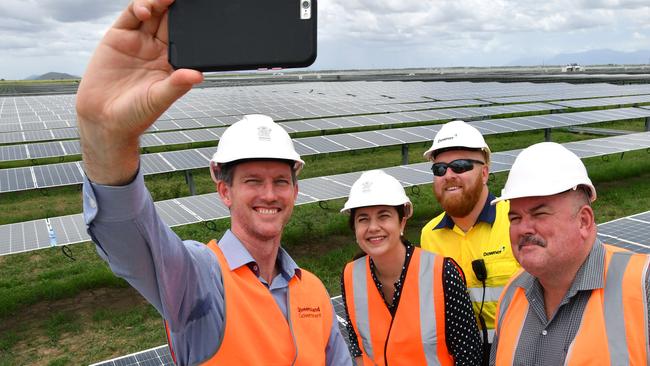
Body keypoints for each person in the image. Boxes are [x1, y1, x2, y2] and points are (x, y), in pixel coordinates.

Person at [77, 0, 352, 364]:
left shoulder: (314, 291)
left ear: (295, 192)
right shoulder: (198, 281)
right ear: (224, 190)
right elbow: (129, 237)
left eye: (281, 182)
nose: (270, 194)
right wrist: (108, 139)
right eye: (253, 180)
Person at [490, 142, 650, 365]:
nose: (524, 228)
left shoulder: (644, 286)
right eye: (515, 218)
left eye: (540, 214)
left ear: (583, 221)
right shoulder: (511, 294)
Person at [340, 170, 482, 366]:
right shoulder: (350, 275)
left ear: (402, 221)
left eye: (383, 216)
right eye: (363, 219)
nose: (373, 227)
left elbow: (469, 355)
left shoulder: (442, 273)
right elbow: (357, 342)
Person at [420, 120, 520, 360]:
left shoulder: (516, 222)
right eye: (440, 169)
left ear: (484, 172)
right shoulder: (429, 236)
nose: (449, 175)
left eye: (460, 166)